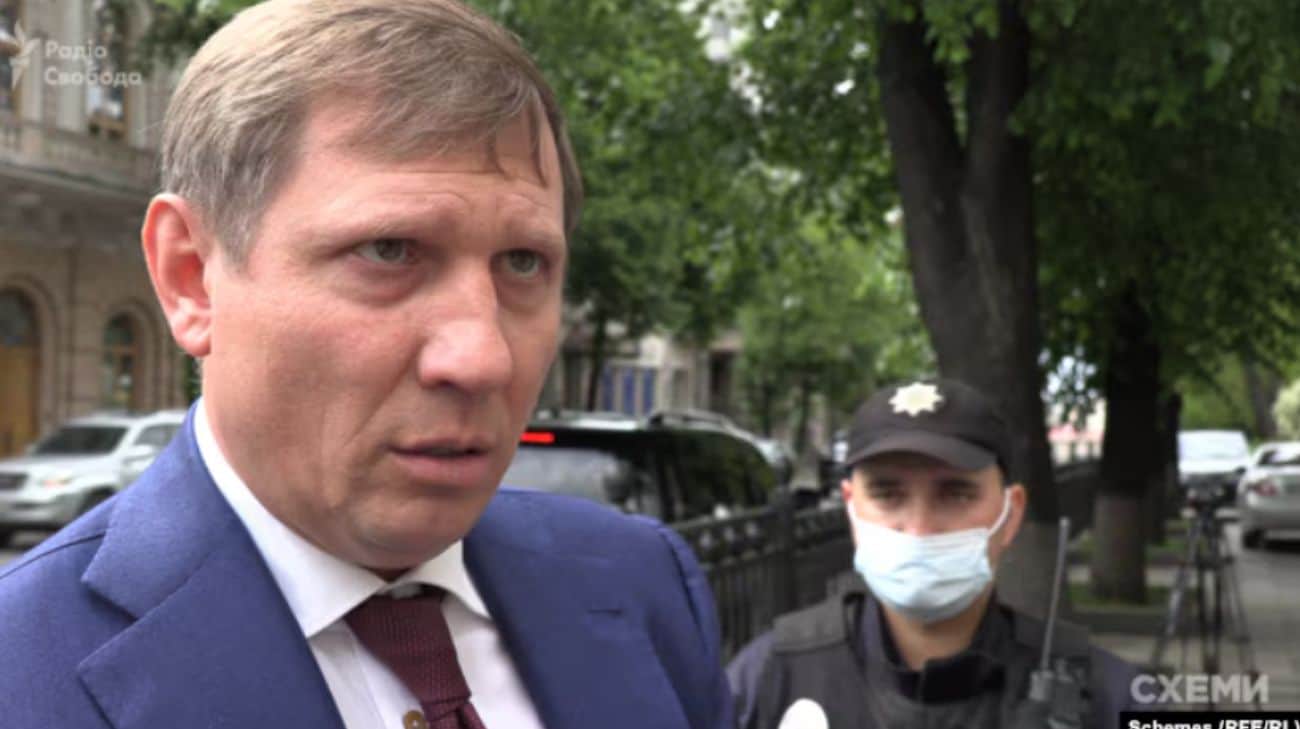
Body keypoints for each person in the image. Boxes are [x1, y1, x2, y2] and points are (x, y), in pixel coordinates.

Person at [0, 2, 732, 728]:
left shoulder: (643, 586)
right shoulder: (22, 669)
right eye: (389, 251)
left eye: (522, 262)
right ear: (191, 277)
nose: (482, 357)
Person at [728, 378, 1137, 729]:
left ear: (1010, 514)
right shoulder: (770, 679)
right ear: (852, 509)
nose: (920, 528)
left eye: (955, 494)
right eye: (887, 494)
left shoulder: (1111, 695)